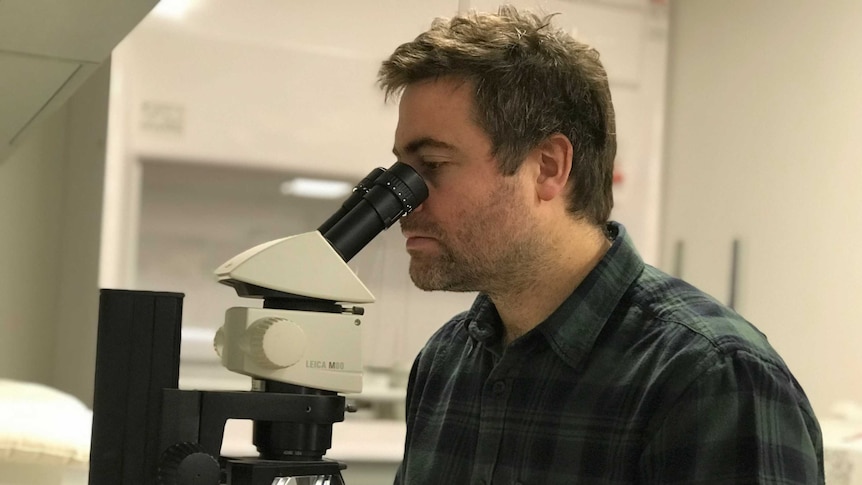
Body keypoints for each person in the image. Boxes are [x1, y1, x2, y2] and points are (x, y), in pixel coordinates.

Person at [377, 5, 823, 485]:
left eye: (434, 165)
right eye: (402, 170)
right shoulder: (444, 363)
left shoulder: (711, 378)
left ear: (548, 167)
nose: (405, 201)